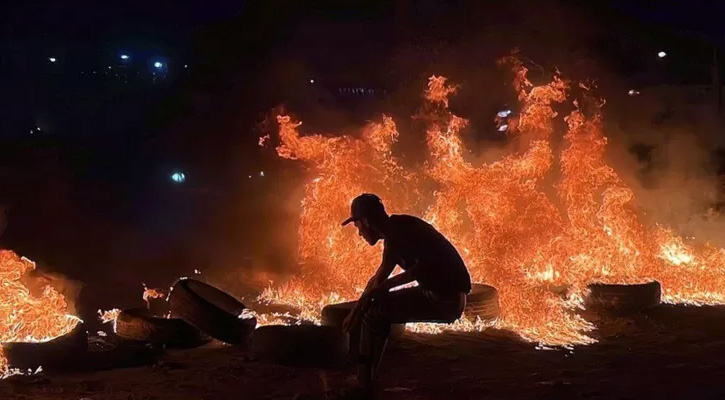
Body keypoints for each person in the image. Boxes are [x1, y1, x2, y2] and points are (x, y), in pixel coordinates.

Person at [340, 193, 471, 397]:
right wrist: (355, 310)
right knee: (375, 309)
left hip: (446, 301)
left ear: (365, 221)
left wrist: (383, 289)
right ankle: (368, 377)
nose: (359, 234)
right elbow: (378, 278)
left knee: (375, 311)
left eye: (358, 227)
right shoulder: (394, 235)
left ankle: (363, 382)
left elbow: (425, 268)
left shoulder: (402, 230)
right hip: (437, 295)